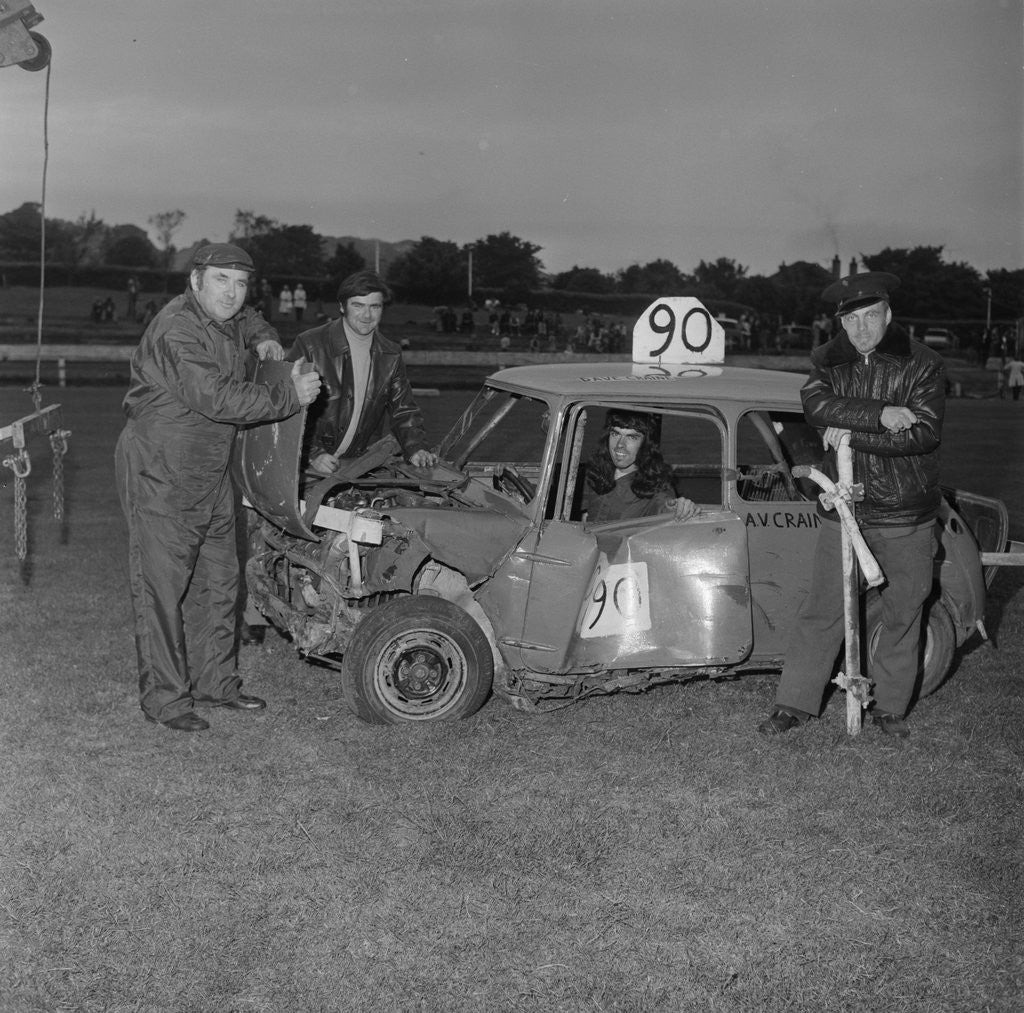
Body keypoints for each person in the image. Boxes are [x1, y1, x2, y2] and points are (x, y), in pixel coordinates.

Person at [115, 243, 322, 733]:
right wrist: (288, 395)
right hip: (162, 471)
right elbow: (214, 395)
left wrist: (265, 337)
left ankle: (216, 684)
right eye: (221, 280)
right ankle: (166, 701)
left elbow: (246, 318)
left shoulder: (225, 315)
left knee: (221, 581)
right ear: (195, 281)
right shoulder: (177, 328)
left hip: (210, 469)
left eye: (241, 282)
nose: (231, 293)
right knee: (162, 589)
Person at [758, 271, 945, 739]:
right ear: (840, 322)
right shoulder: (827, 359)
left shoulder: (923, 363)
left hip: (905, 512)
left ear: (888, 314)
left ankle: (890, 707)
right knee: (823, 608)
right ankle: (794, 702)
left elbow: (924, 434)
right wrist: (881, 415)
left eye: (870, 316)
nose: (861, 329)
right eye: (851, 319)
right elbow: (815, 407)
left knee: (904, 610)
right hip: (843, 511)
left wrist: (852, 432)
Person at [285, 270, 437, 474]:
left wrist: (416, 448)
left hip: (358, 465)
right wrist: (312, 454)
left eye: (375, 306)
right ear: (342, 307)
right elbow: (285, 406)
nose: (367, 315)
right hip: (305, 466)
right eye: (358, 305)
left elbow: (404, 410)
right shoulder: (309, 344)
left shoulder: (391, 354)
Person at [581, 408, 699, 524]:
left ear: (645, 444)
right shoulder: (595, 471)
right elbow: (584, 516)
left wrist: (681, 507)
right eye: (615, 434)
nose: (620, 444)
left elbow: (665, 506)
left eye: (631, 437)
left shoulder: (656, 485)